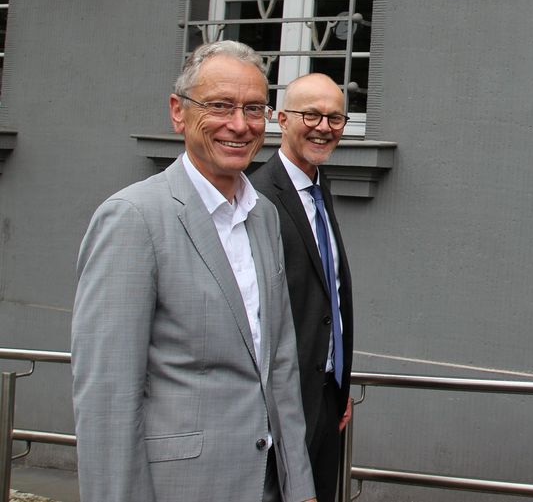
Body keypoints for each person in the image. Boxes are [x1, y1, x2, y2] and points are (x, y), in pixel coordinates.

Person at [72, 41, 316, 502]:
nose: (240, 125)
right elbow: (108, 398)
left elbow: (279, 365)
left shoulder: (263, 215)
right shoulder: (134, 217)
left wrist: (300, 485)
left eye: (253, 108)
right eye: (220, 106)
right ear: (178, 112)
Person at [251, 73, 355, 502]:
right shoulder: (257, 197)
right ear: (281, 119)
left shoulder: (318, 187)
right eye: (311, 114)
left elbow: (327, 292)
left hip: (326, 397)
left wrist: (339, 383)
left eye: (335, 118)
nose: (324, 127)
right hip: (281, 406)